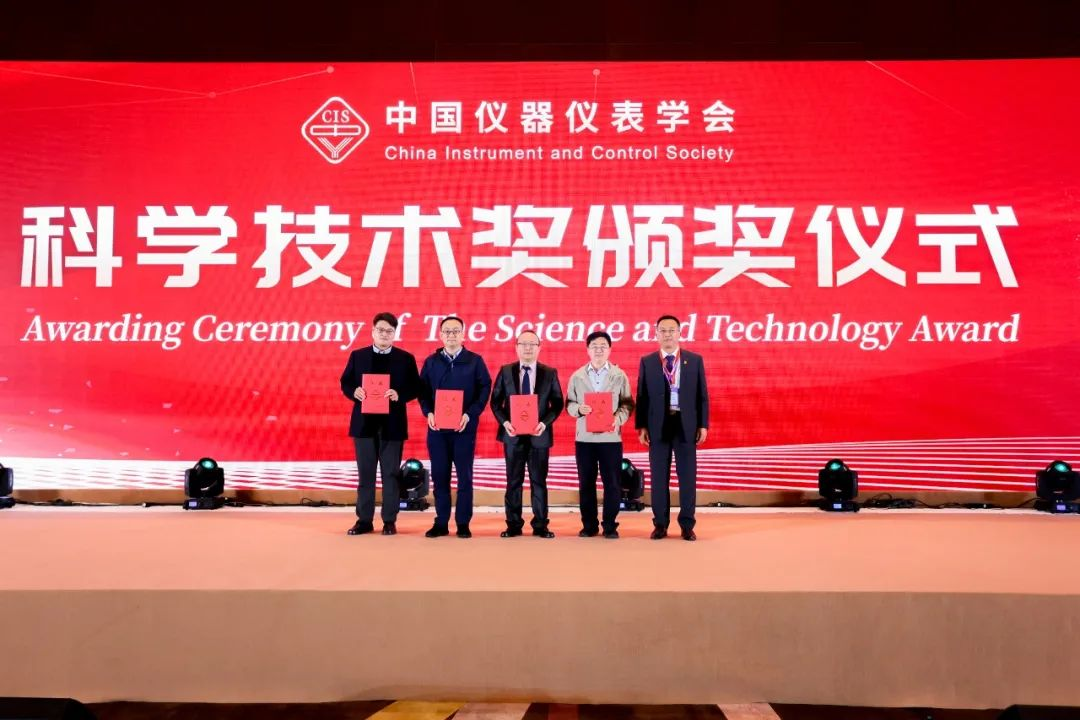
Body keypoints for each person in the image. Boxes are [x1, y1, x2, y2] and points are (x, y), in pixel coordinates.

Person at [339, 312, 421, 536]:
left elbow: (416, 386)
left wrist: (400, 394)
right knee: (365, 475)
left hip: (392, 425)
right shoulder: (358, 356)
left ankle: (389, 520)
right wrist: (354, 391)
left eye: (389, 331)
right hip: (364, 425)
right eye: (381, 330)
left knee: (391, 475)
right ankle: (364, 520)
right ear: (373, 331)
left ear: (395, 334)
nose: (385, 334)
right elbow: (346, 382)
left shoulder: (405, 358)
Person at [636, 315, 709, 541]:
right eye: (663, 330)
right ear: (656, 334)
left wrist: (703, 424)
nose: (667, 334)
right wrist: (641, 426)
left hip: (686, 425)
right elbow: (642, 396)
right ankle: (660, 524)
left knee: (688, 477)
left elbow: (702, 396)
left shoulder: (694, 360)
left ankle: (687, 524)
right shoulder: (648, 361)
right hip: (657, 425)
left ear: (679, 333)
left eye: (671, 330)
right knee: (659, 478)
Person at [418, 316, 492, 539]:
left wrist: (470, 414)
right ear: (441, 335)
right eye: (447, 331)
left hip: (464, 429)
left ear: (463, 334)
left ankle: (463, 523)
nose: (451, 335)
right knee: (440, 477)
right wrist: (428, 412)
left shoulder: (475, 361)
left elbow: (484, 388)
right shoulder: (431, 362)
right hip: (437, 431)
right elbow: (422, 391)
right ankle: (441, 522)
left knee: (464, 478)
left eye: (456, 331)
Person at [489, 329, 565, 538]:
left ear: (539, 348)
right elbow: (495, 402)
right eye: (524, 344)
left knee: (539, 482)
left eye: (532, 344)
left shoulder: (549, 373)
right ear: (516, 347)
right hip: (512, 435)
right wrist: (505, 422)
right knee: (513, 481)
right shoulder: (506, 371)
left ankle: (541, 525)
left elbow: (558, 403)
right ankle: (513, 525)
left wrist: (544, 423)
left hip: (539, 435)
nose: (528, 348)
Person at [564, 331, 634, 539]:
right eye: (594, 346)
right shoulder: (577, 376)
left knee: (612, 483)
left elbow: (627, 404)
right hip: (584, 439)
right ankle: (589, 525)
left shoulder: (619, 375)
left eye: (603, 346)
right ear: (587, 350)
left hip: (610, 439)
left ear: (610, 350)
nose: (599, 350)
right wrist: (579, 409)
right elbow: (569, 404)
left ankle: (610, 525)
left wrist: (617, 419)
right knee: (586, 483)